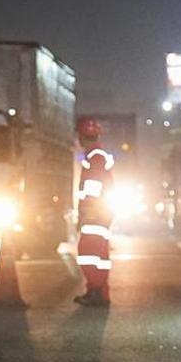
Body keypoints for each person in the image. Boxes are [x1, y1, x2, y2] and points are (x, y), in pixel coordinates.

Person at [74, 116, 114, 307]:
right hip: (101, 212)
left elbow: (92, 186)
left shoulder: (95, 157)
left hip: (95, 213)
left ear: (82, 136)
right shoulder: (98, 155)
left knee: (88, 252)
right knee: (99, 253)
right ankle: (99, 292)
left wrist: (87, 212)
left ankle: (96, 290)